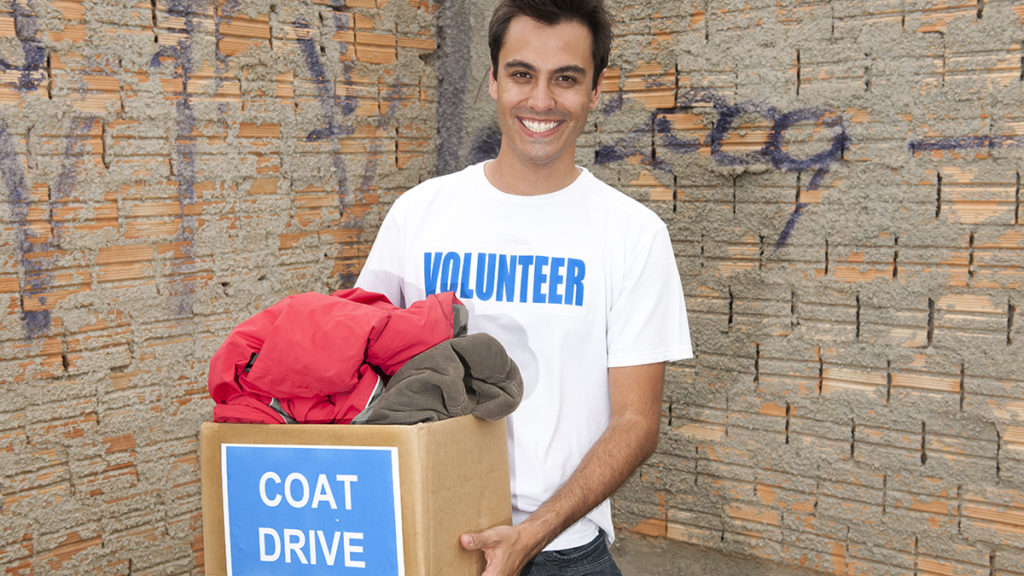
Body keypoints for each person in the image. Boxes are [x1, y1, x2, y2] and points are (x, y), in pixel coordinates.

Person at [355, 0, 692, 573]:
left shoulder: (633, 234)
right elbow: (359, 362)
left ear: (595, 89)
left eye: (566, 78)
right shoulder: (419, 213)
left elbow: (636, 423)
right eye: (521, 74)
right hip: (422, 528)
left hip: (562, 552)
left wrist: (530, 535)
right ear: (493, 80)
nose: (541, 101)